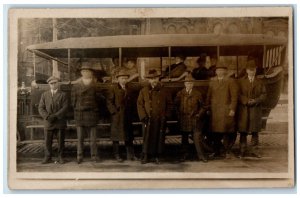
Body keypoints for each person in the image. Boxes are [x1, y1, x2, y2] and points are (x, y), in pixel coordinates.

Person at [137, 69, 171, 164]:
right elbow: (140, 104)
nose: (154, 80)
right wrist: (143, 116)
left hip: (160, 119)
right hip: (148, 119)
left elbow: (170, 104)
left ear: (158, 79)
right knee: (147, 137)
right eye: (151, 79)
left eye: (155, 78)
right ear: (148, 80)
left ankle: (158, 156)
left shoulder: (164, 90)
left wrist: (166, 116)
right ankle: (146, 155)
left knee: (159, 138)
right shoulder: (143, 91)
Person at [206, 61, 238, 159]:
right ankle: (216, 151)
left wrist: (232, 109)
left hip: (225, 110)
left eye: (222, 70)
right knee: (215, 132)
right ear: (215, 72)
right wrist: (208, 108)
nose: (220, 72)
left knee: (227, 131)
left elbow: (234, 97)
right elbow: (209, 96)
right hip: (215, 110)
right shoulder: (212, 81)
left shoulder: (230, 81)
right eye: (218, 70)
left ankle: (226, 151)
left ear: (225, 71)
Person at [71, 64, 101, 164]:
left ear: (91, 73)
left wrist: (95, 109)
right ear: (81, 73)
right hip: (80, 114)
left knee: (93, 138)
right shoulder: (76, 86)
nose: (85, 73)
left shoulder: (96, 85)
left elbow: (99, 100)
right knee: (80, 138)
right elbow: (73, 101)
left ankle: (94, 156)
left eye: (88, 71)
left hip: (92, 113)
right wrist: (77, 109)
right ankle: (79, 156)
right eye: (83, 71)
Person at [175, 75, 208, 162]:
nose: (189, 85)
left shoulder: (197, 94)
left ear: (193, 84)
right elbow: (175, 105)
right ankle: (184, 155)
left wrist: (198, 115)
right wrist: (179, 115)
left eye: (190, 83)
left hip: (195, 119)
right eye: (187, 83)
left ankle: (201, 156)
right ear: (184, 84)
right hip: (184, 119)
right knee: (184, 138)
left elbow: (203, 107)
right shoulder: (180, 93)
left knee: (197, 137)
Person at [106, 69, 138, 162]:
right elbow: (109, 102)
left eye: (125, 78)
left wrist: (132, 113)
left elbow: (133, 102)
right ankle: (117, 155)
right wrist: (114, 112)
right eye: (122, 78)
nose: (124, 80)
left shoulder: (129, 88)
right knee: (116, 136)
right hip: (117, 116)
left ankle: (130, 155)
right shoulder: (113, 88)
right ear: (118, 79)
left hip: (127, 116)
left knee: (129, 136)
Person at [237, 60, 266, 158]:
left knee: (255, 132)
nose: (251, 71)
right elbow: (238, 94)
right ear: (246, 70)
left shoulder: (260, 81)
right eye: (250, 70)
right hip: (244, 109)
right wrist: (246, 101)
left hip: (255, 109)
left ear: (256, 70)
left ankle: (255, 151)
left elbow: (264, 95)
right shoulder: (241, 81)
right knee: (243, 131)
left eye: (253, 69)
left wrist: (256, 101)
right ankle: (242, 151)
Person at [38, 76, 68, 164]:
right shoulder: (44, 94)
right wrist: (47, 117)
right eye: (51, 84)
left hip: (59, 121)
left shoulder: (63, 94)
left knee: (61, 141)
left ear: (58, 84)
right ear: (49, 85)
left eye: (55, 83)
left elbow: (65, 107)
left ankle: (60, 157)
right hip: (48, 122)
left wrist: (55, 116)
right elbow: (41, 108)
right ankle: (47, 157)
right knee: (47, 141)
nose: (53, 85)